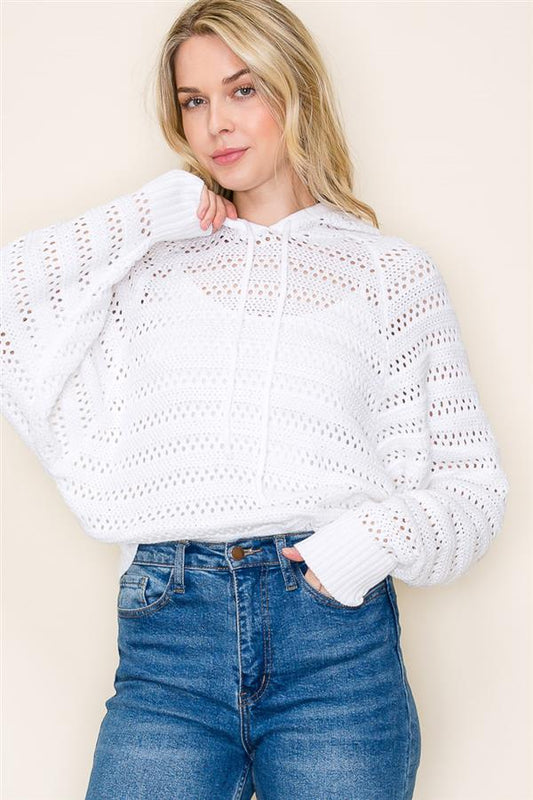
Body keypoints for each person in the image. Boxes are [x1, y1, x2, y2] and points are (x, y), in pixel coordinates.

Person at [0, 1, 509, 798]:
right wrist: (148, 213)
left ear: (295, 89)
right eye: (193, 101)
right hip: (170, 639)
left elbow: (472, 490)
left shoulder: (392, 275)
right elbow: (13, 301)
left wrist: (364, 544)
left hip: (334, 650)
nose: (215, 125)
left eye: (242, 90)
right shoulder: (151, 264)